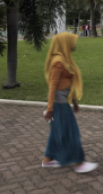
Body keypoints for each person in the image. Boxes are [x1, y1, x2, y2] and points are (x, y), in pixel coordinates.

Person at [42, 32, 98, 173]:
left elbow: (67, 82)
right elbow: (53, 86)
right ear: (65, 43)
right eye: (72, 42)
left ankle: (47, 160)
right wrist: (50, 109)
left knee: (56, 132)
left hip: (63, 103)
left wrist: (74, 100)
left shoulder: (64, 59)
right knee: (71, 132)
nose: (74, 45)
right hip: (59, 105)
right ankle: (79, 163)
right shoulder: (58, 62)